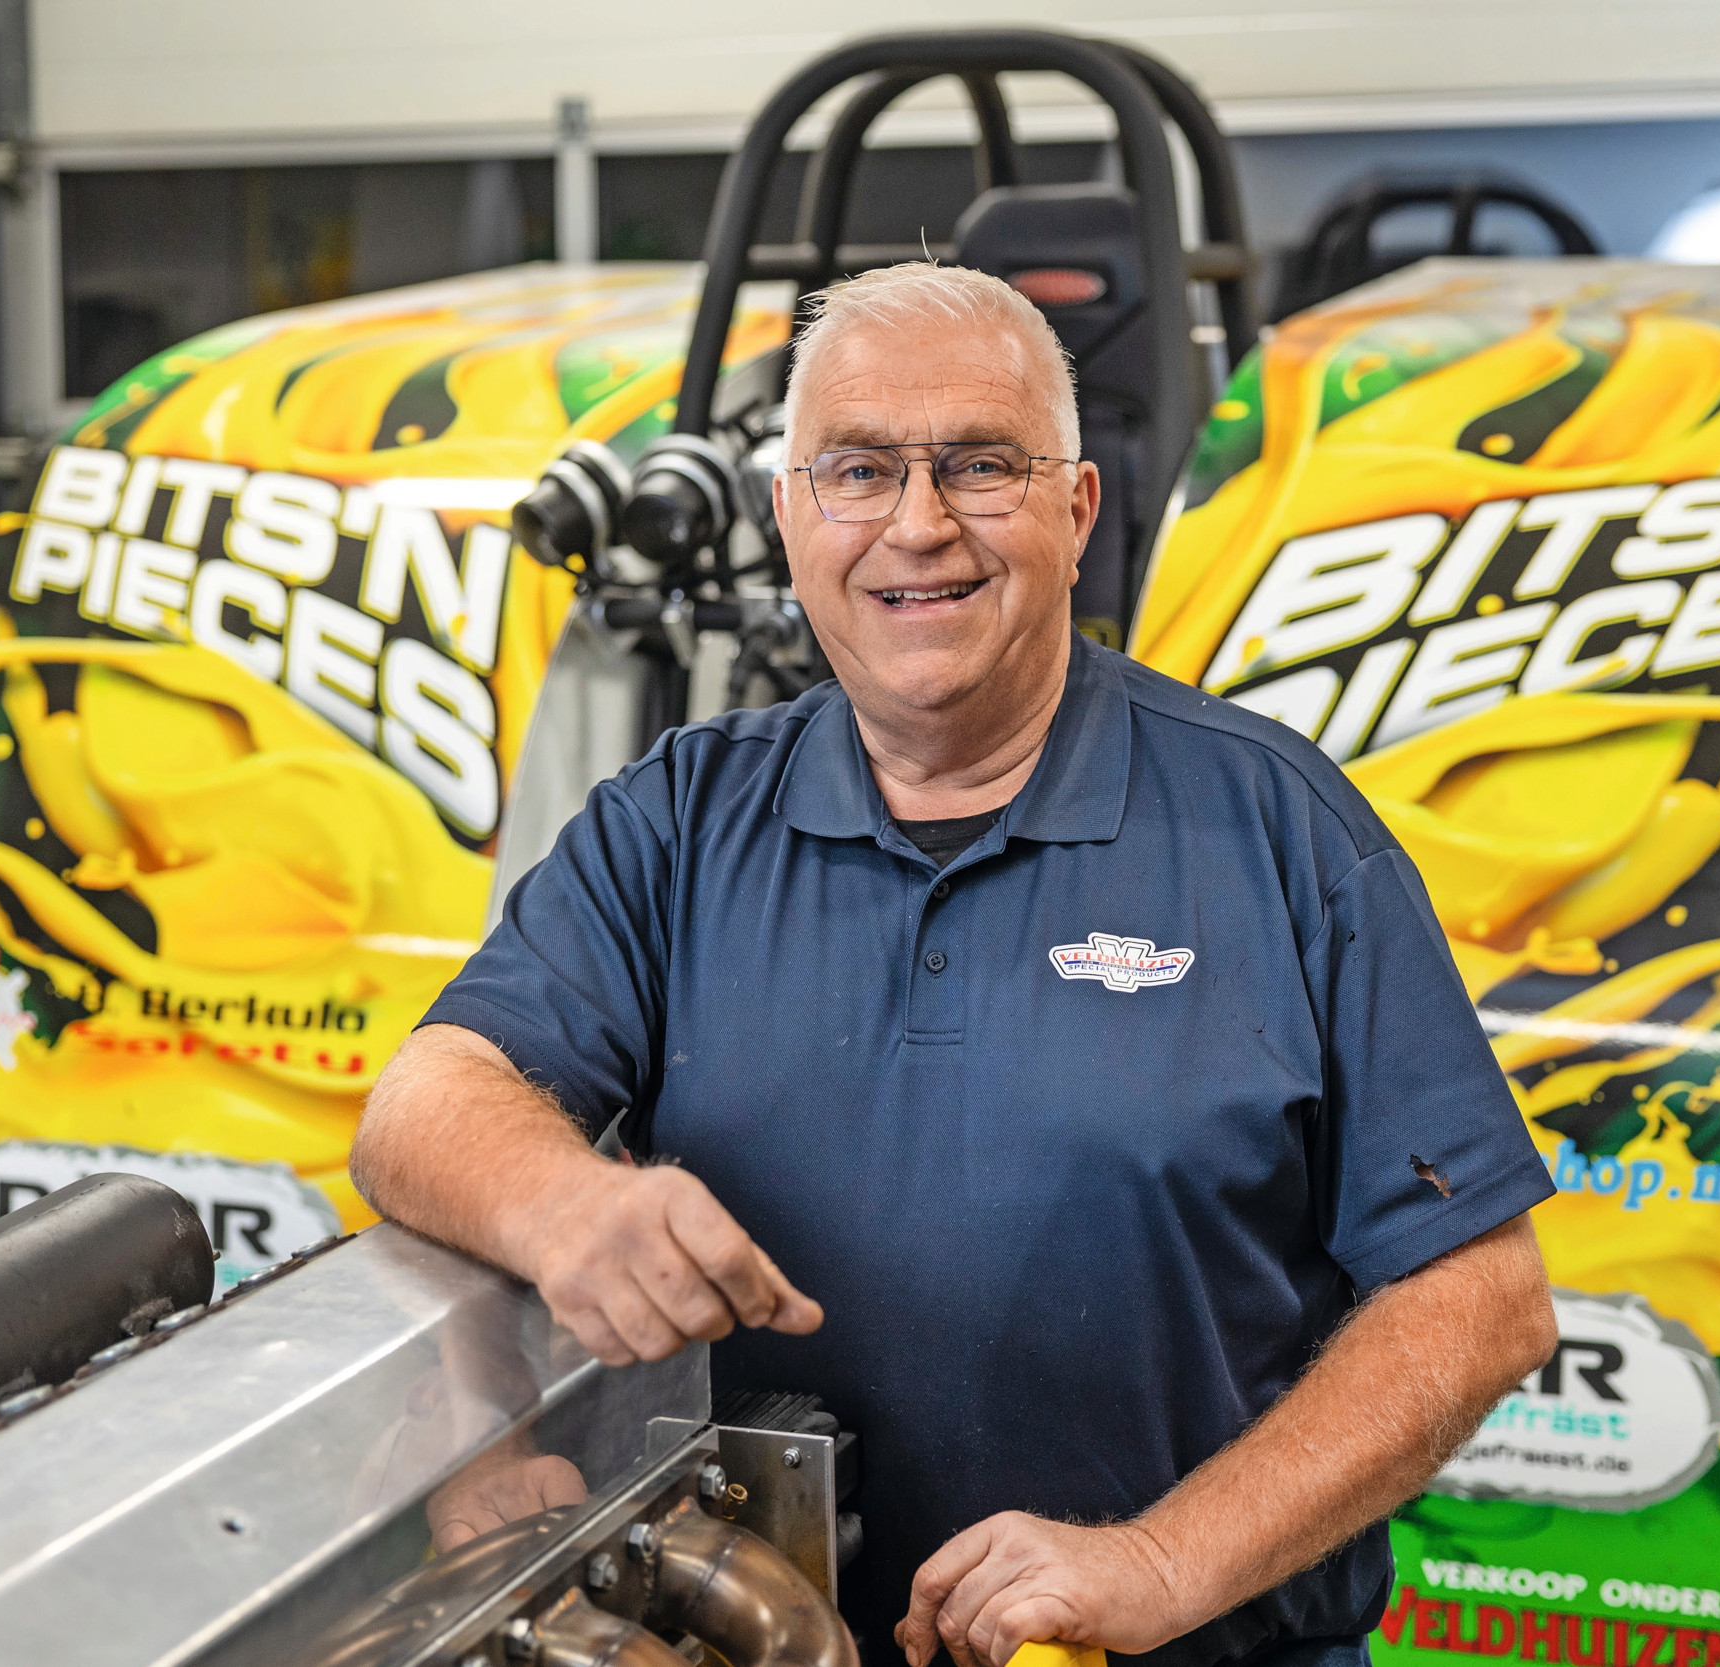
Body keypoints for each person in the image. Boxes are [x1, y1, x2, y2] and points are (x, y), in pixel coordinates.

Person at [352, 262, 1560, 1667]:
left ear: (1076, 507)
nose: (917, 528)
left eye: (980, 466)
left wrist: (1159, 1564)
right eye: (857, 471)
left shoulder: (1276, 829)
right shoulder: (679, 820)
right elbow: (427, 1101)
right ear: (792, 515)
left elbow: (1482, 1303)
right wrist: (561, 1203)